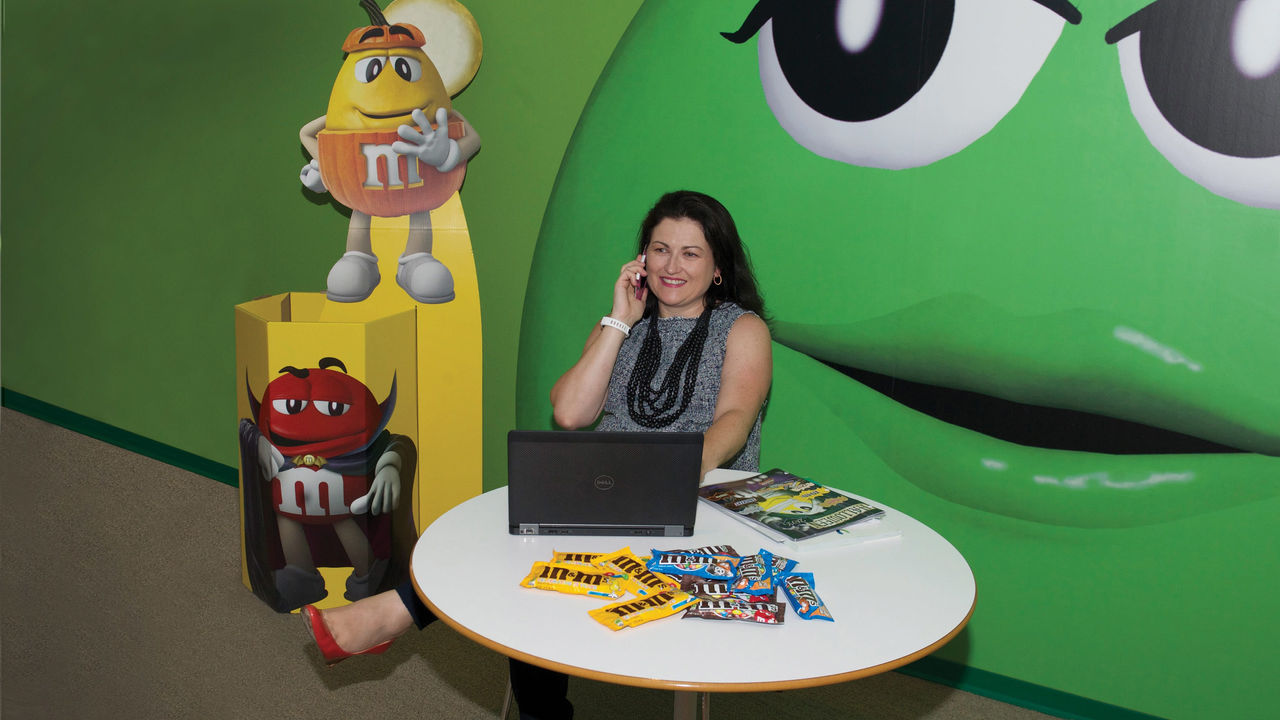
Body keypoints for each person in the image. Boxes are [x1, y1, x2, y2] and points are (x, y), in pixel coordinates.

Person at [302, 190, 772, 719]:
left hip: (697, 498)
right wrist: (620, 319)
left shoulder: (742, 328)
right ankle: (528, 705)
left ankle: (391, 615)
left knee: (541, 551)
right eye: (660, 249)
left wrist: (677, 471)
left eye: (690, 253)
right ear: (641, 259)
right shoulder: (622, 324)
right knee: (517, 540)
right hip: (611, 488)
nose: (672, 265)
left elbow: (734, 419)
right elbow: (570, 413)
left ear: (716, 269)